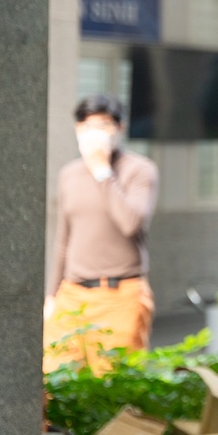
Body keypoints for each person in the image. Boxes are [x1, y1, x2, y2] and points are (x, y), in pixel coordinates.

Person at [43, 94, 159, 374]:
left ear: (119, 128)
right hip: (71, 295)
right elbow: (64, 239)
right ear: (77, 129)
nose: (94, 133)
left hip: (120, 295)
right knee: (53, 378)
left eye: (103, 126)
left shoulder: (139, 170)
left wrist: (102, 171)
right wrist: (51, 296)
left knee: (112, 382)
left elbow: (131, 223)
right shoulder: (69, 174)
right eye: (87, 126)